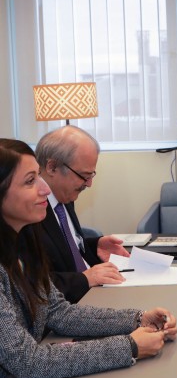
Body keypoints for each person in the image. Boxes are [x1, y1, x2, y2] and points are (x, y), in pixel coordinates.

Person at [0, 138, 177, 378]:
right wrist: (130, 346)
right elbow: (28, 362)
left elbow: (58, 312)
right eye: (30, 181)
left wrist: (138, 319)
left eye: (39, 177)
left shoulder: (26, 241)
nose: (45, 189)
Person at [35, 125, 129, 303]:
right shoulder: (29, 212)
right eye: (84, 176)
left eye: (92, 174)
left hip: (96, 294)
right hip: (69, 307)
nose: (89, 184)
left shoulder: (65, 197)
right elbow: (34, 286)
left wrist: (95, 246)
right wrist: (85, 279)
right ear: (52, 167)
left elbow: (65, 248)